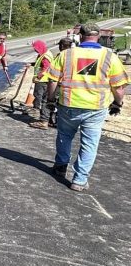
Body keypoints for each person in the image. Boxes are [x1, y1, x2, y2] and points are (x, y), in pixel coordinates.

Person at [46, 23, 128, 192]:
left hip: (68, 104)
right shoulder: (109, 56)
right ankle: (79, 180)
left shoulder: (66, 54)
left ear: (80, 36)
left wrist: (51, 99)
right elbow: (119, 87)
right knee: (89, 143)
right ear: (98, 37)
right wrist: (117, 103)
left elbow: (53, 80)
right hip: (95, 108)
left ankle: (61, 166)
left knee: (64, 136)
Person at [29, 40, 55, 129]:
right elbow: (41, 65)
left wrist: (38, 77)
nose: (35, 50)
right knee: (44, 99)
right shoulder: (45, 53)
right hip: (45, 80)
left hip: (42, 81)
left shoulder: (45, 56)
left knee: (41, 98)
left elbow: (46, 68)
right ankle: (48, 119)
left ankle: (43, 119)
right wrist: (33, 64)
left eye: (36, 48)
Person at [48, 37, 74, 128]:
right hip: (70, 85)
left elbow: (54, 76)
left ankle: (54, 120)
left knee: (56, 104)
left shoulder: (61, 56)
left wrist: (50, 97)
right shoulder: (74, 56)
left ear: (61, 46)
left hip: (60, 83)